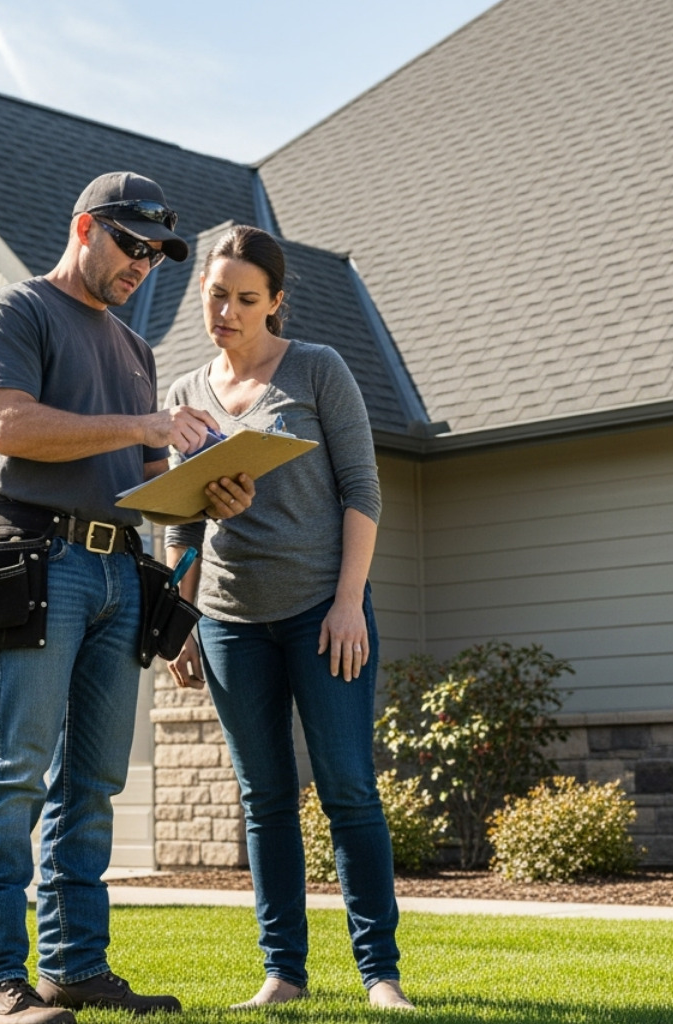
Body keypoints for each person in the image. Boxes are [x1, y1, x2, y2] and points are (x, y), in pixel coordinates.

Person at [0, 172, 255, 1024]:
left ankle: (74, 969)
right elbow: (11, 428)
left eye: (158, 255)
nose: (144, 266)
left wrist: (207, 488)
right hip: (38, 563)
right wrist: (149, 427)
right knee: (16, 771)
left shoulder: (133, 349)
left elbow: (142, 475)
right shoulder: (15, 313)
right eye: (131, 245)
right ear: (85, 227)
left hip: (119, 572)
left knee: (90, 784)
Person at [163, 225, 415, 1012]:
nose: (228, 312)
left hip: (321, 611)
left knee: (347, 790)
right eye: (216, 296)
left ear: (275, 301)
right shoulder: (184, 396)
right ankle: (284, 974)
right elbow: (180, 525)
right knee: (263, 797)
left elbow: (361, 492)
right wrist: (181, 617)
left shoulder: (316, 368)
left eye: (245, 299)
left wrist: (348, 603)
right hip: (231, 622)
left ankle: (381, 976)